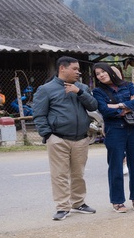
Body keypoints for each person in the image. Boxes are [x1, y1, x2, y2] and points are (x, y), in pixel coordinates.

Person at [33, 57, 99, 221]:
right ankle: (63, 207)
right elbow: (39, 114)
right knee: (59, 175)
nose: (79, 72)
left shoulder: (82, 87)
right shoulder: (46, 89)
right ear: (62, 68)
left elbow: (93, 106)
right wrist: (48, 135)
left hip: (81, 138)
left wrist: (80, 92)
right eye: (75, 69)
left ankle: (78, 203)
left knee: (78, 173)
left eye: (79, 69)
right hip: (58, 138)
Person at [92, 63, 134, 213]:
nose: (101, 75)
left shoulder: (128, 85)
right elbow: (104, 110)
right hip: (114, 130)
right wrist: (126, 107)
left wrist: (117, 106)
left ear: (110, 72)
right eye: (98, 74)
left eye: (103, 71)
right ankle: (117, 201)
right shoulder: (98, 91)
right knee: (115, 166)